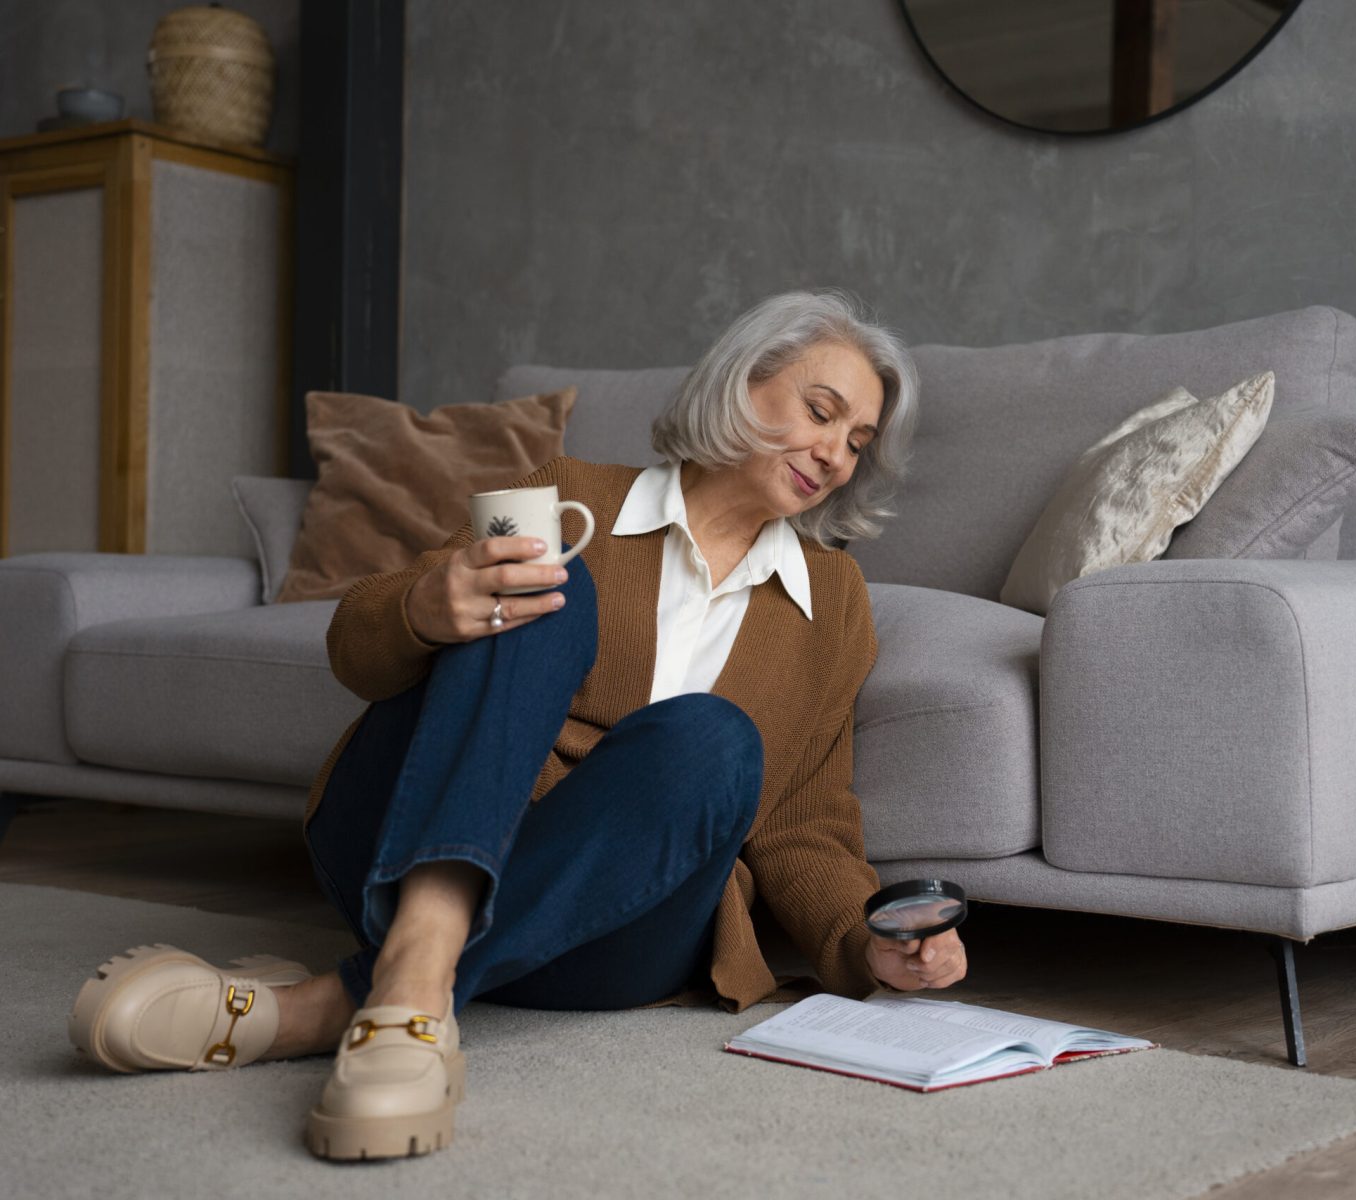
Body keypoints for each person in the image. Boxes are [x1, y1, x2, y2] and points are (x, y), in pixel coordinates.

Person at [66, 289, 966, 1159]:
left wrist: (868, 946)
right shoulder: (568, 490)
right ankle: (419, 965)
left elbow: (805, 820)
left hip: (617, 936)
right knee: (537, 583)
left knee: (715, 739)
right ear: (741, 381)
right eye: (820, 411)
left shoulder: (836, 603)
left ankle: (328, 1006)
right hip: (398, 846)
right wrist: (428, 605)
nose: (837, 457)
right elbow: (356, 649)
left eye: (856, 443)